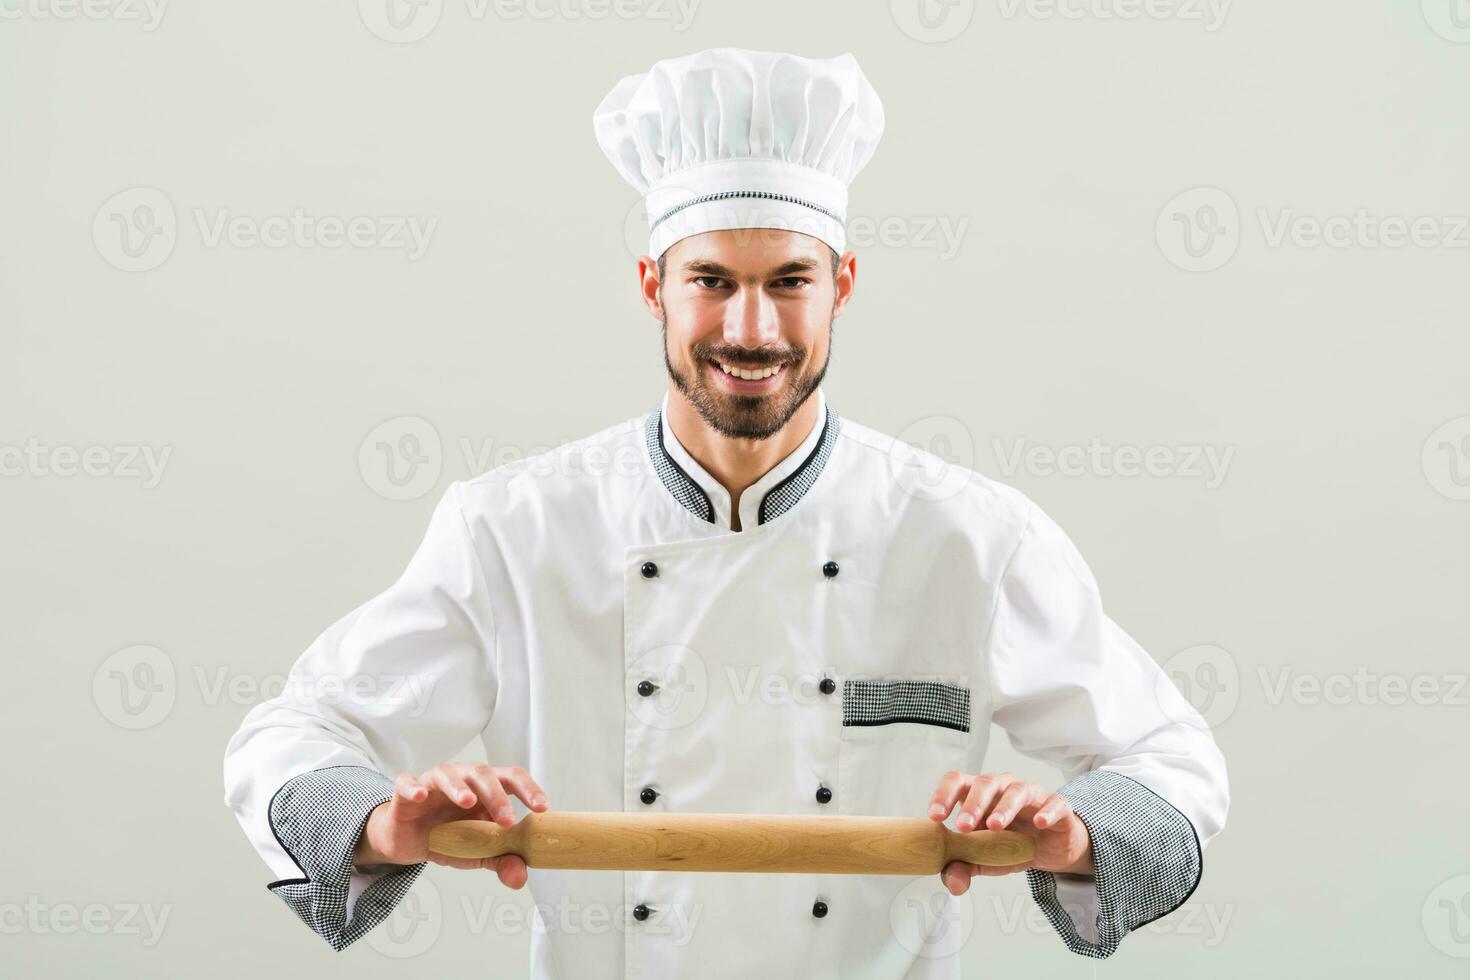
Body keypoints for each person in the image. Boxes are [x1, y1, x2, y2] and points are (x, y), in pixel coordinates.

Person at [223, 47, 1228, 978]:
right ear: (654, 284)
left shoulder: (967, 536)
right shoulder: (515, 531)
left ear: (842, 283)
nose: (751, 327)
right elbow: (294, 729)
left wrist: (1075, 829)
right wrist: (389, 822)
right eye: (712, 280)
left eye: (790, 281)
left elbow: (1174, 759)